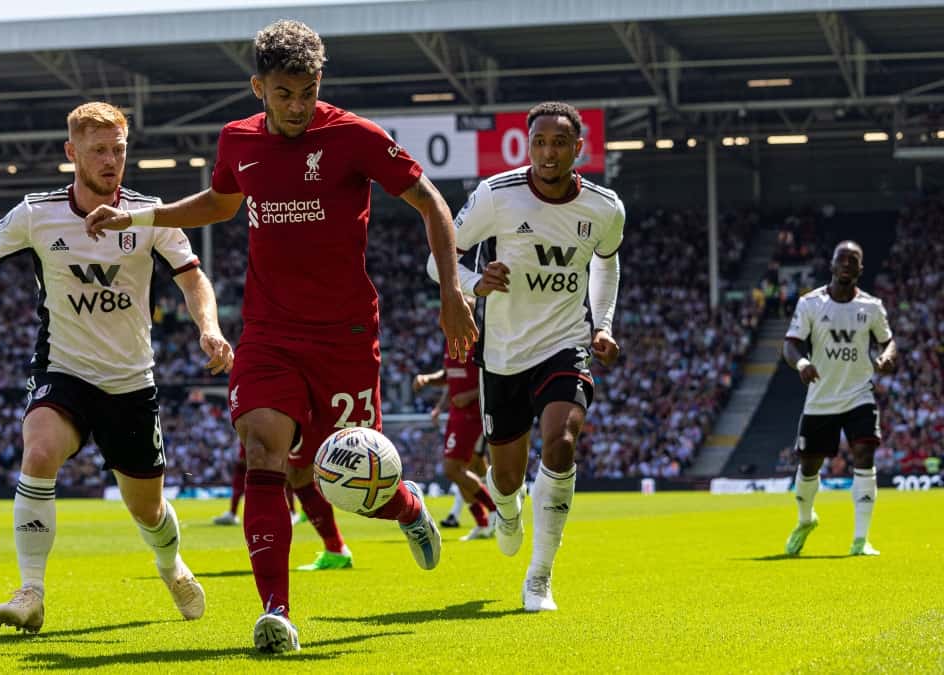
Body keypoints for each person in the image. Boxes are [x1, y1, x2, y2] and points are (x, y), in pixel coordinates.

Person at [85, 19, 477, 653]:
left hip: (346, 335)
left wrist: (451, 292)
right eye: (284, 92)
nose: (297, 105)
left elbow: (431, 202)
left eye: (308, 91)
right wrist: (137, 216)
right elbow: (219, 203)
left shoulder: (353, 135)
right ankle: (277, 613)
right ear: (258, 87)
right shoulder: (237, 139)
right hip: (269, 331)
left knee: (343, 483)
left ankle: (405, 507)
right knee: (263, 452)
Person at [0, 102, 233, 634]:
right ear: (70, 153)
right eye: (99, 150)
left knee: (146, 509)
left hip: (130, 381)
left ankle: (170, 565)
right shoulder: (37, 213)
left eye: (119, 150)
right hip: (64, 368)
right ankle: (30, 589)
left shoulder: (150, 214)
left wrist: (208, 327)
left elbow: (193, 278)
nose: (111, 161)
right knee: (39, 450)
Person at [429, 102, 624, 612]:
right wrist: (474, 283)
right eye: (539, 142)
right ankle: (507, 507)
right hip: (503, 354)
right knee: (508, 477)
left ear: (578, 148)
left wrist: (601, 324)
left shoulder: (604, 208)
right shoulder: (497, 195)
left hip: (564, 343)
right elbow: (437, 262)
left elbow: (607, 262)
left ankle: (539, 577)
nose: (548, 152)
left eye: (559, 142)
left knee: (560, 443)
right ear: (526, 144)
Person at [782, 240, 896, 557]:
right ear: (832, 265)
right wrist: (803, 363)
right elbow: (790, 345)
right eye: (841, 259)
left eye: (853, 260)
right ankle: (805, 521)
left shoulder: (872, 307)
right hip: (821, 398)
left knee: (864, 454)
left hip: (859, 394)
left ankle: (860, 540)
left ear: (860, 269)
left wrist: (886, 357)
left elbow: (889, 342)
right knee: (809, 467)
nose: (846, 264)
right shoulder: (810, 304)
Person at [412, 311, 498, 541]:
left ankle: (496, 512)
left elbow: (492, 378)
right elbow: (450, 376)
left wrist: (470, 395)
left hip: (474, 414)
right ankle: (483, 522)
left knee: (454, 468)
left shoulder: (480, 343)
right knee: (458, 471)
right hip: (456, 414)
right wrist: (429, 380)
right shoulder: (452, 343)